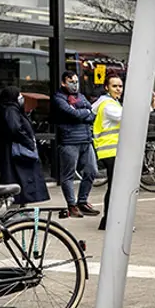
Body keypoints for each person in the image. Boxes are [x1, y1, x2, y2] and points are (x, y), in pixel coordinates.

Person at [52, 71, 98, 218]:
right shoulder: (58, 98)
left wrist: (81, 112)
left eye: (76, 81)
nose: (74, 84)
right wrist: (83, 112)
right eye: (71, 81)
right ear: (63, 83)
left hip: (86, 139)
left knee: (92, 171)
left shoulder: (81, 96)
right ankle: (71, 205)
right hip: (69, 141)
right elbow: (75, 114)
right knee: (68, 175)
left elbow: (92, 114)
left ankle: (82, 201)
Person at [0, 86, 51, 207]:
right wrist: (28, 141)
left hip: (12, 151)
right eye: (18, 95)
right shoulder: (11, 110)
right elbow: (15, 128)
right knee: (19, 181)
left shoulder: (8, 109)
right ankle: (16, 212)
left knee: (19, 183)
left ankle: (19, 209)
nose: (21, 98)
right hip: (16, 153)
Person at [92, 74, 124, 191]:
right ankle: (110, 210)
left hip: (111, 150)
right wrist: (148, 108)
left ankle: (112, 209)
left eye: (120, 86)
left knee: (114, 186)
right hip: (110, 150)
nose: (118, 89)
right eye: (114, 86)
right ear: (107, 88)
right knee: (114, 187)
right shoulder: (108, 105)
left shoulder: (113, 103)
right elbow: (127, 118)